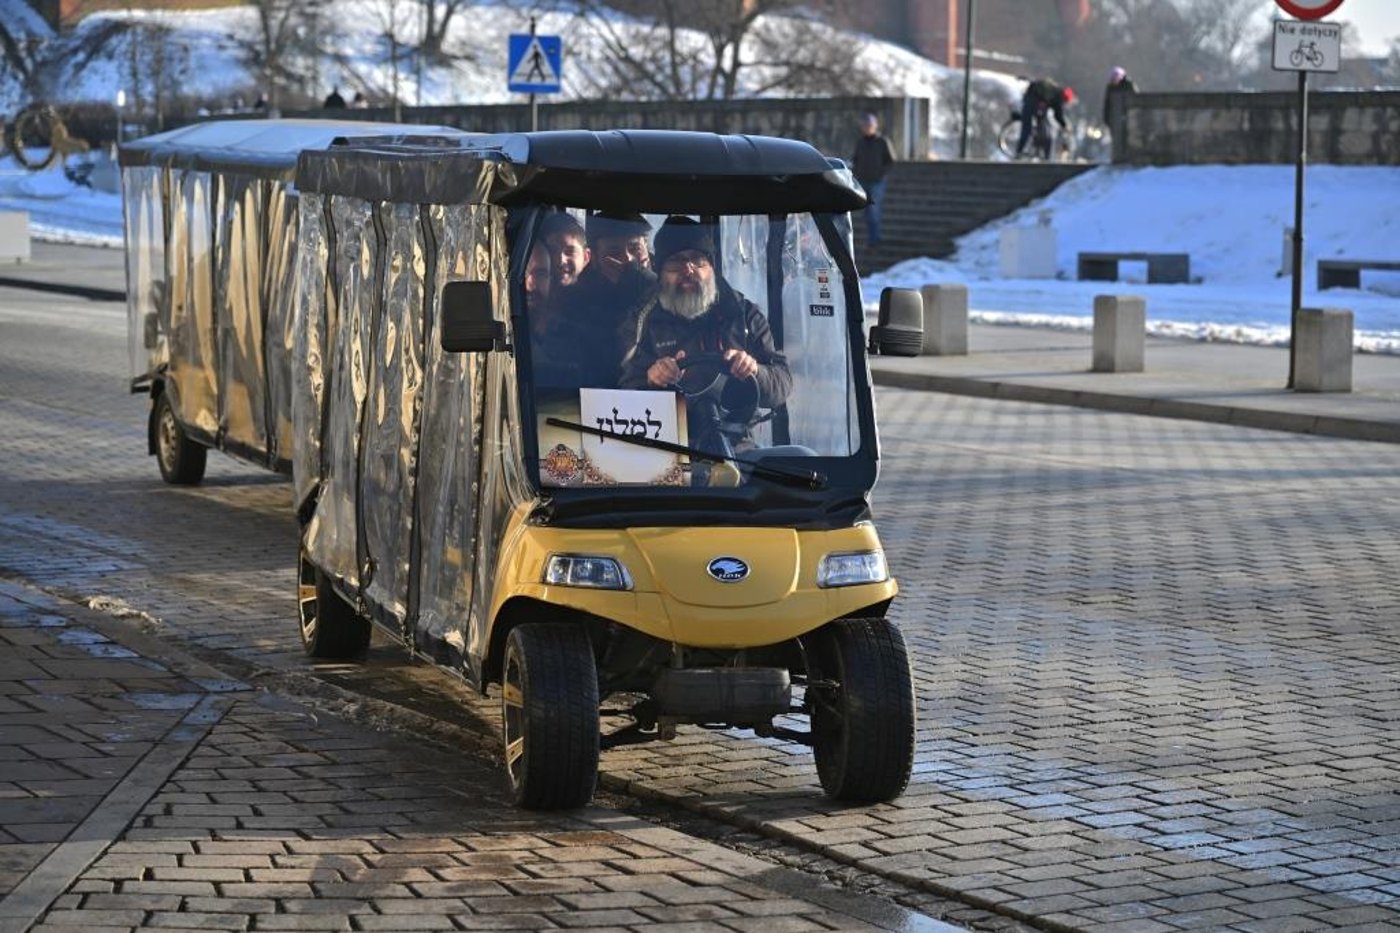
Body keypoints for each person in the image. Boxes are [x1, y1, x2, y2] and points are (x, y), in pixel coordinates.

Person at [620, 217, 791, 453]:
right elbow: (622, 396)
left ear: (712, 267)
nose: (688, 269)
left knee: (799, 458)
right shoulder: (643, 320)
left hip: (739, 448)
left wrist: (755, 370)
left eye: (697, 260)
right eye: (675, 262)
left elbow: (782, 384)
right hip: (666, 450)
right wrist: (652, 378)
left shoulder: (744, 315)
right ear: (660, 273)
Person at [849, 113, 896, 247]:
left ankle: (875, 239)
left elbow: (890, 161)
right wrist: (856, 172)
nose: (867, 128)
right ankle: (870, 238)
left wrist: (882, 174)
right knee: (866, 212)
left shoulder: (883, 141)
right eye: (865, 125)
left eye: (870, 125)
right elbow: (855, 159)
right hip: (862, 181)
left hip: (877, 182)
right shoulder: (860, 142)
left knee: (874, 211)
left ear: (875, 126)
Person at [1015, 78, 1072, 159]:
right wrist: (1064, 125)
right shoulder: (1058, 98)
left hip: (1031, 99)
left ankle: (1029, 150)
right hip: (1033, 102)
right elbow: (1058, 115)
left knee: (1041, 126)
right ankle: (1020, 152)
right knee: (1027, 128)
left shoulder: (1055, 91)